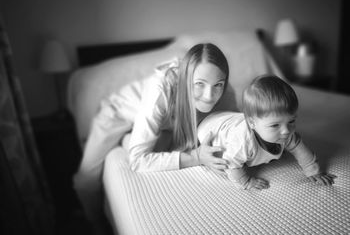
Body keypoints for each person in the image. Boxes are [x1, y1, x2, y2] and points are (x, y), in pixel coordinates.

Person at [73, 43, 230, 230]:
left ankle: (128, 140)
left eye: (218, 85)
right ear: (187, 79)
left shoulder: (225, 90)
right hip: (118, 114)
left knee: (161, 151)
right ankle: (96, 223)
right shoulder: (160, 90)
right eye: (199, 84)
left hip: (163, 124)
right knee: (85, 181)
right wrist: (195, 157)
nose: (209, 96)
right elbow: (138, 161)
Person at [197, 75, 336, 190]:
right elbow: (230, 163)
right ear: (252, 123)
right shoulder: (242, 142)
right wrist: (246, 181)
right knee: (226, 145)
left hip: (235, 118)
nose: (286, 131)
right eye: (275, 125)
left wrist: (313, 170)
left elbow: (299, 148)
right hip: (211, 127)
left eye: (292, 121)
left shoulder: (284, 132)